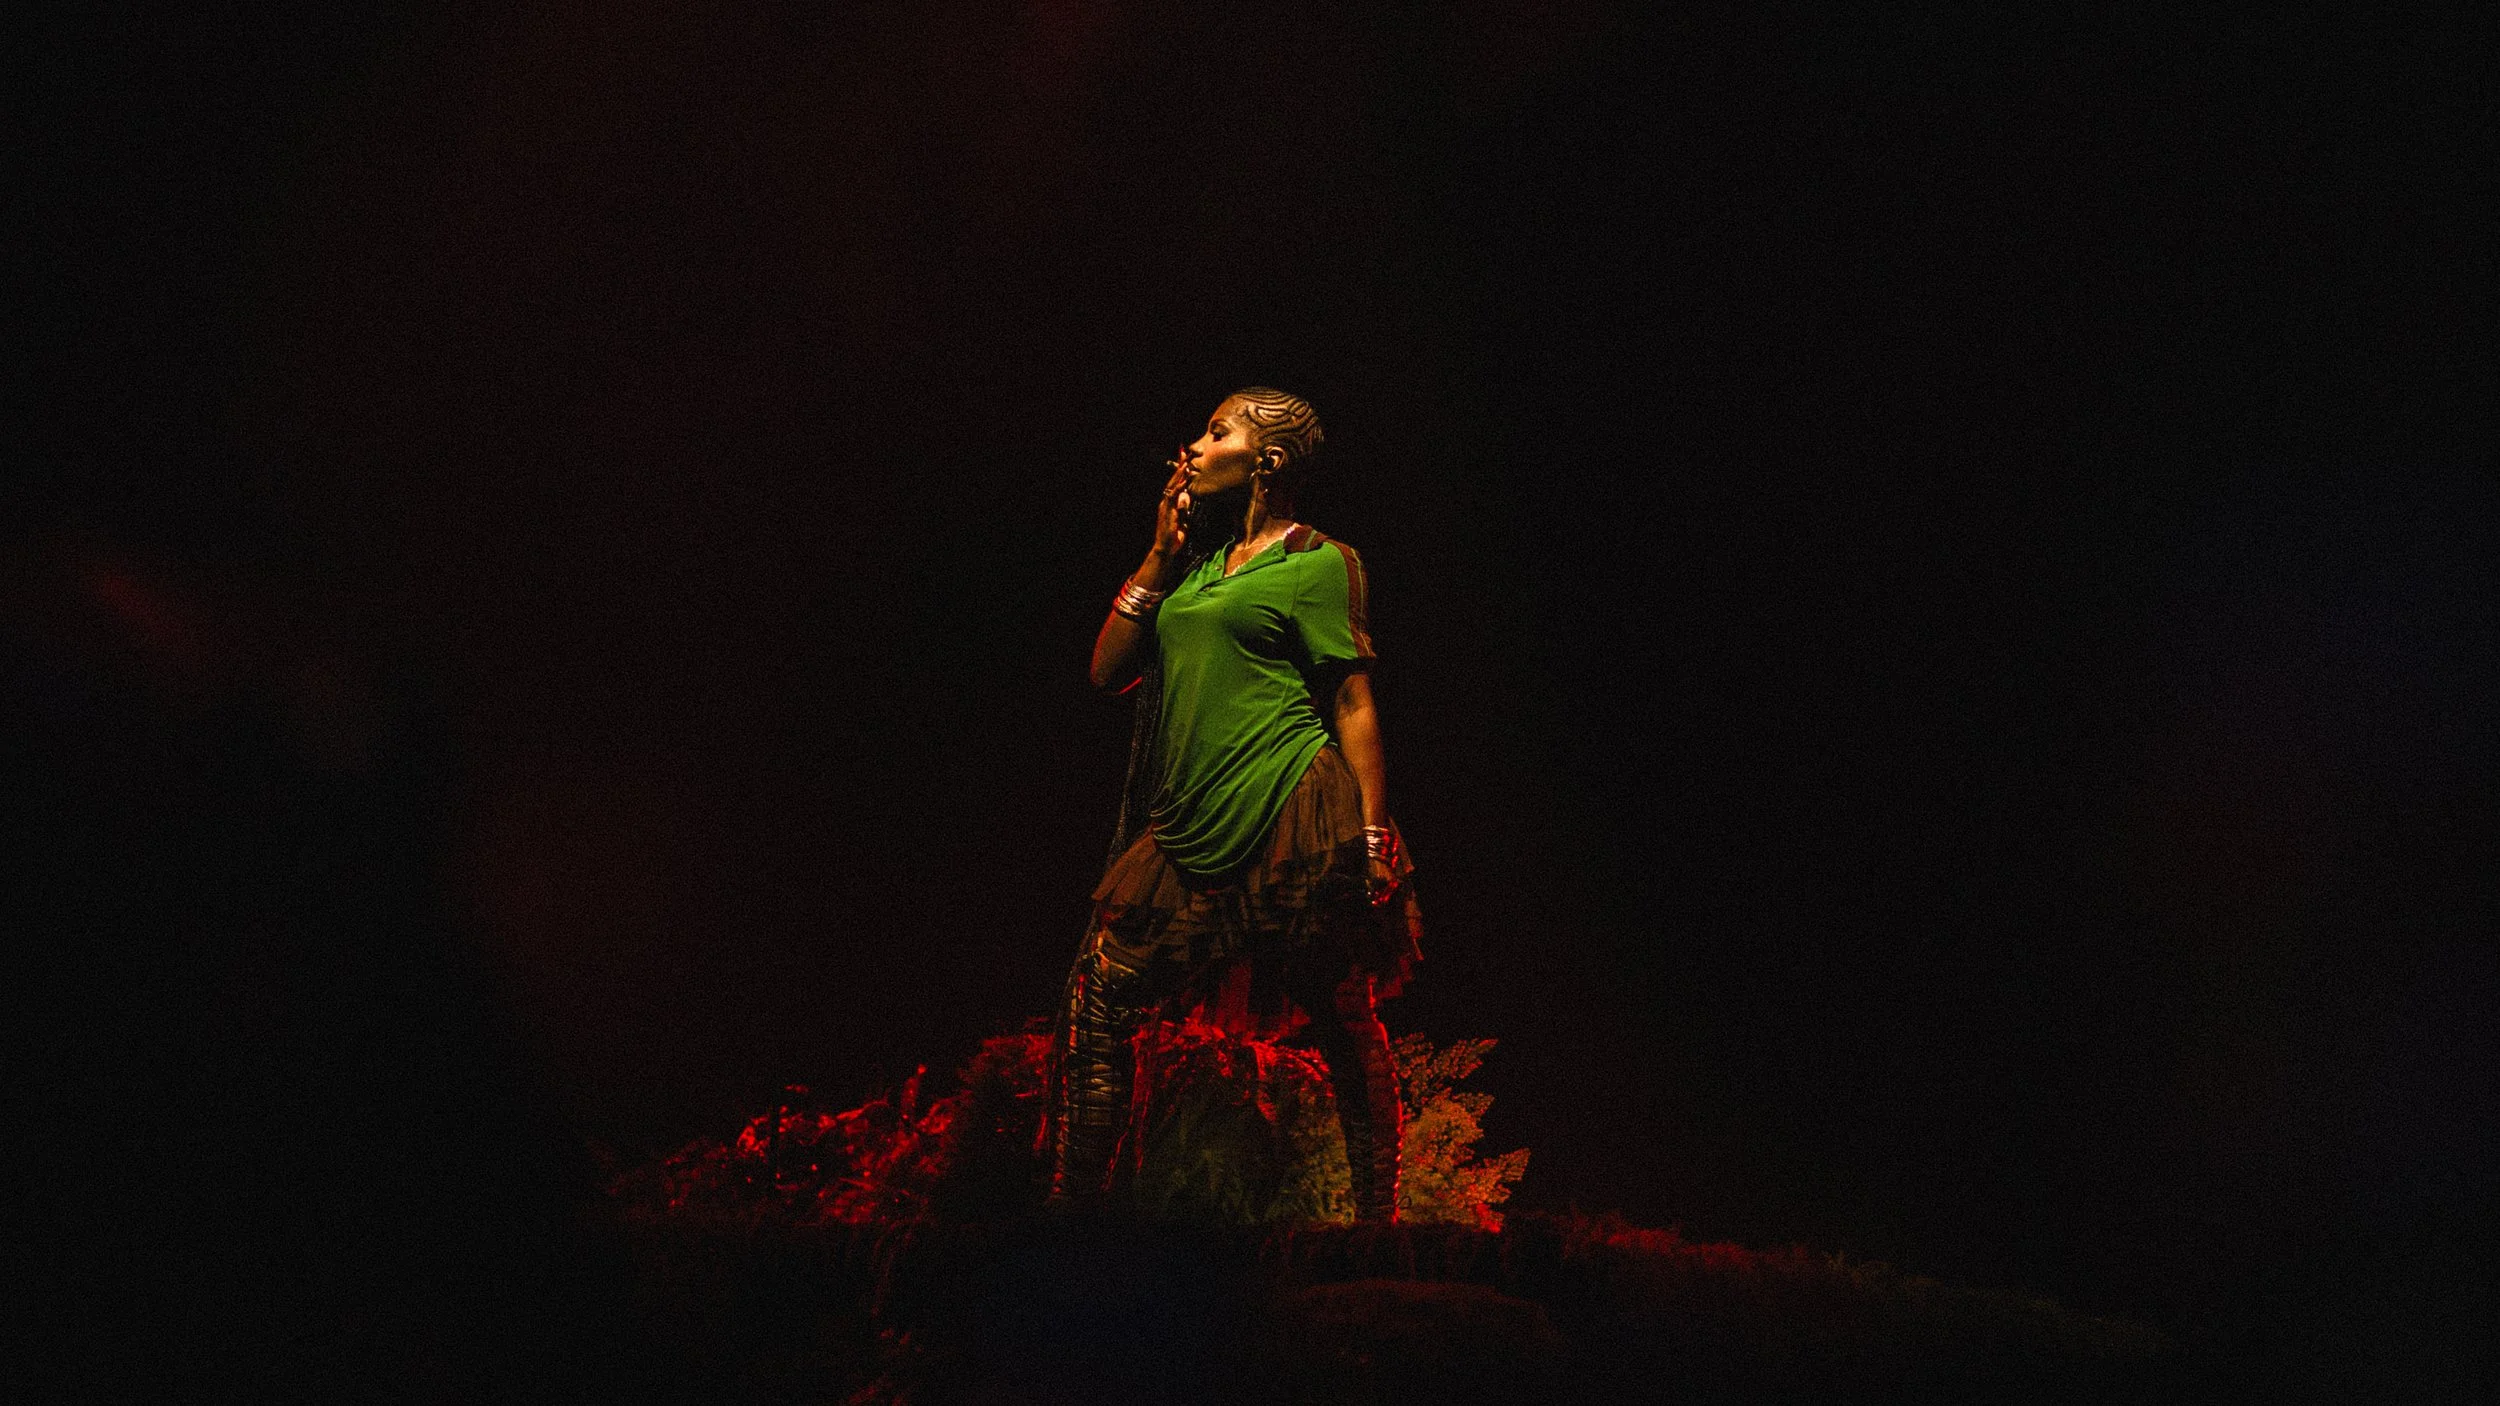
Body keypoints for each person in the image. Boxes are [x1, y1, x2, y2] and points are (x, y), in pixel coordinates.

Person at [1051, 387, 1422, 1223]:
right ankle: (1071, 1215)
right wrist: (1159, 556)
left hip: (1291, 806)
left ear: (1268, 461)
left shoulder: (1320, 562)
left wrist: (1371, 835)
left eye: (1216, 432)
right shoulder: (1194, 568)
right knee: (1098, 995)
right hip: (1191, 816)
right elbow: (1108, 672)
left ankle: (1378, 1226)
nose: (1193, 444)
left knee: (1338, 1006)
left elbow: (1352, 702)